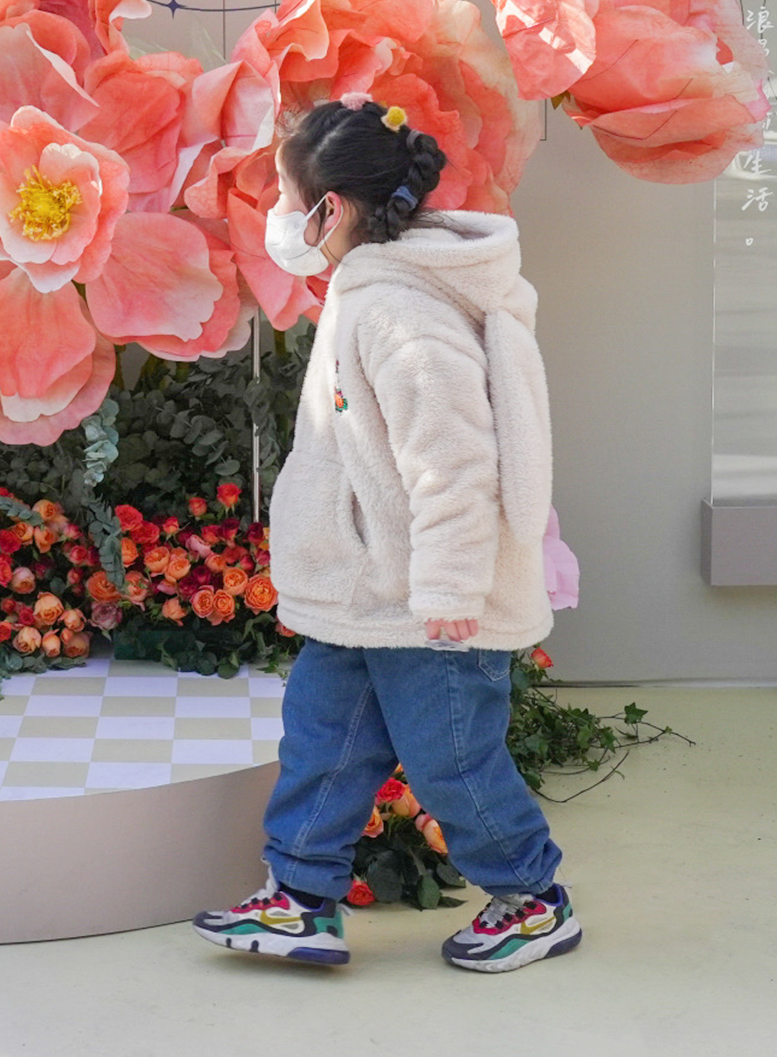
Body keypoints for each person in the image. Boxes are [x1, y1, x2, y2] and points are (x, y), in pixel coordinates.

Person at [193, 97, 574, 974]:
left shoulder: (403, 312)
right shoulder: (373, 291)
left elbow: (452, 462)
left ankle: (532, 900)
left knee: (451, 764)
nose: (283, 219)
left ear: (333, 207)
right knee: (323, 739)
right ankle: (298, 899)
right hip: (369, 590)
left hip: (428, 600)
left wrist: (447, 591)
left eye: (290, 198)